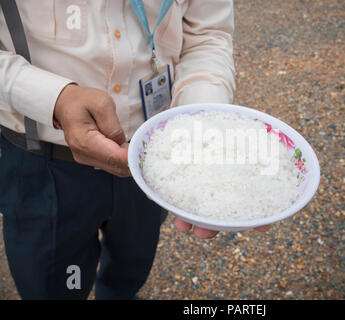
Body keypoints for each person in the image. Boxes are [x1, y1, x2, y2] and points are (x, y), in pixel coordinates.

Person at [0, 0, 269, 300]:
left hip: (156, 156)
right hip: (43, 162)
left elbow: (207, 35)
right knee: (50, 285)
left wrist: (199, 127)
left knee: (132, 263)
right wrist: (56, 99)